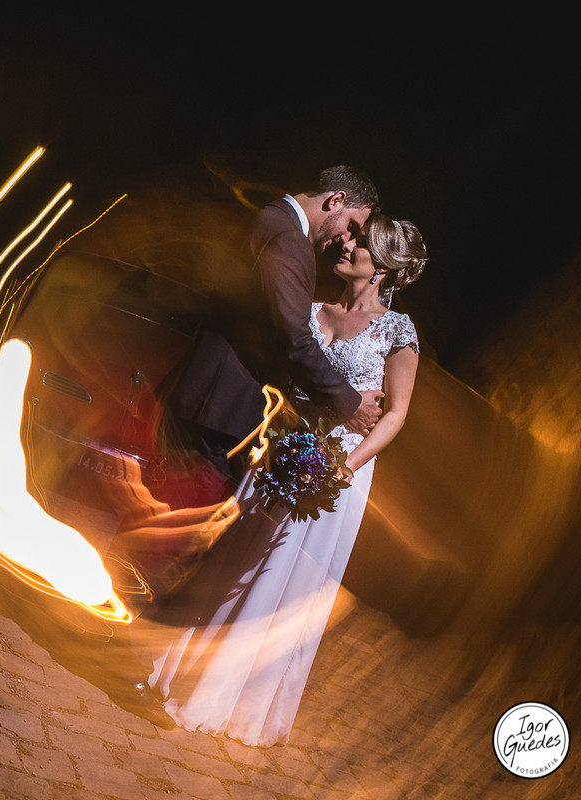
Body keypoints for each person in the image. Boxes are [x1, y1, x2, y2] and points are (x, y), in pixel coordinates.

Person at [145, 213, 428, 745]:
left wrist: (341, 468)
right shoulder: (316, 310)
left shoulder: (398, 332)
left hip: (334, 469)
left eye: (361, 243)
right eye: (350, 236)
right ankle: (178, 669)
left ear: (385, 267)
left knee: (275, 576)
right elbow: (290, 376)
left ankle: (223, 695)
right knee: (232, 557)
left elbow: (395, 416)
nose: (345, 244)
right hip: (279, 449)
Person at [170, 166, 385, 478]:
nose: (347, 239)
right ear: (335, 199)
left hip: (212, 404)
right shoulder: (287, 237)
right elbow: (294, 337)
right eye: (352, 225)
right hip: (222, 413)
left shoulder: (271, 218)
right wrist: (349, 404)